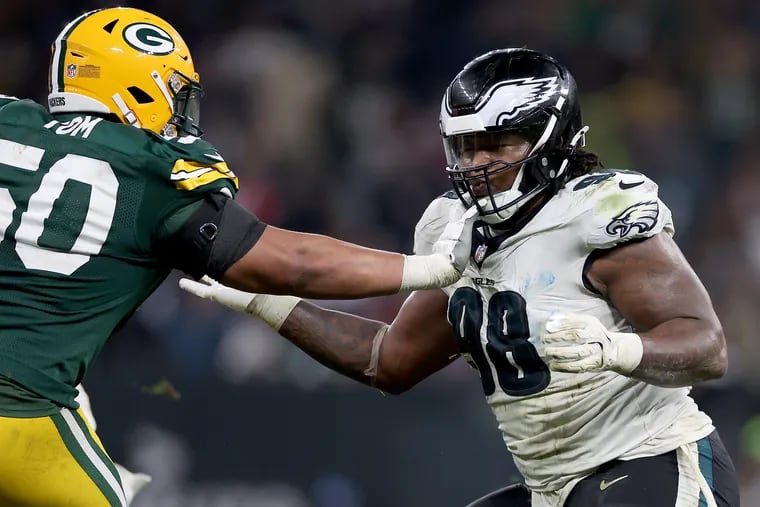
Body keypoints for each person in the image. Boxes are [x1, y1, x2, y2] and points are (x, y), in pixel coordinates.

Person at [181, 48, 740, 507]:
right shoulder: (453, 228)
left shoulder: (598, 214)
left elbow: (707, 347)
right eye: (466, 146)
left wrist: (614, 350)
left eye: (495, 144)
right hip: (552, 488)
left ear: (550, 140)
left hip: (653, 459)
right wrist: (268, 301)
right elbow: (388, 361)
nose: (475, 163)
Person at [0, 7, 476, 506]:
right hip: (18, 405)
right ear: (139, 86)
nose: (182, 111)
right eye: (175, 93)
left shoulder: (10, 120)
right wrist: (424, 268)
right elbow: (294, 262)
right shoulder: (150, 169)